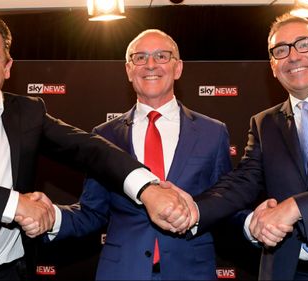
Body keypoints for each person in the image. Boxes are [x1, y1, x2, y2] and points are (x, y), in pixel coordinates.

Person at [0, 13, 192, 281]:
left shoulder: (28, 113)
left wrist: (148, 188)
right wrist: (15, 205)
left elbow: (90, 149)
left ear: (7, 66)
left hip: (6, 274)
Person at [160, 13, 308, 280]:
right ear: (273, 66)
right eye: (280, 50)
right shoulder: (264, 123)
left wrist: (296, 207)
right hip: (286, 271)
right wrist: (194, 209)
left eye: (304, 44)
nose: (293, 56)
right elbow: (242, 183)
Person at [37, 29, 233, 280]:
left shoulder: (213, 132)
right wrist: (50, 216)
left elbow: (225, 204)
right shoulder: (104, 136)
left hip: (191, 271)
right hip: (122, 272)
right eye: (140, 58)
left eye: (162, 56)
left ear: (178, 67)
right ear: (129, 70)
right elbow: (92, 212)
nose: (150, 64)